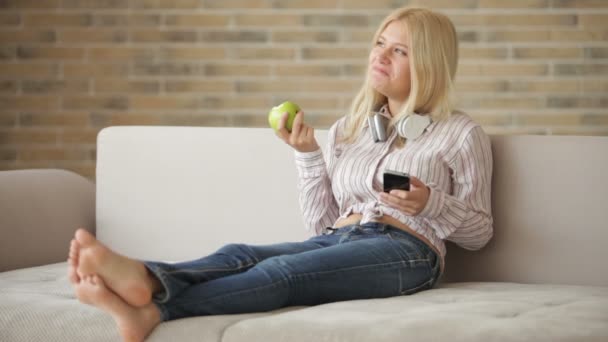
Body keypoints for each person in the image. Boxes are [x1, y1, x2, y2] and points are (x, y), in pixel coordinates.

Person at [67, 6, 493, 342]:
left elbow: (479, 232)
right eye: (380, 42)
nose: (379, 55)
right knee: (240, 254)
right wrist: (308, 154)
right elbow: (318, 226)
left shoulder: (460, 133)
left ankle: (155, 307)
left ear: (429, 62)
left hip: (409, 250)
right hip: (339, 237)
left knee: (283, 274)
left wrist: (429, 202)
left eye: (399, 50)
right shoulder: (352, 127)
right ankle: (144, 280)